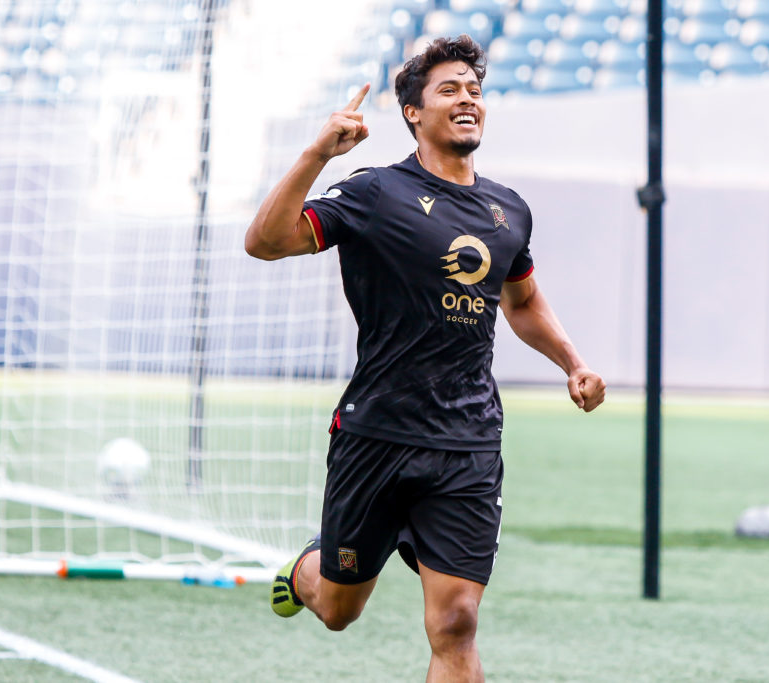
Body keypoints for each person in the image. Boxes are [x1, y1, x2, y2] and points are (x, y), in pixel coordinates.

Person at [244, 34, 605, 682]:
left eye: (475, 89)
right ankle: (307, 569)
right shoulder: (376, 192)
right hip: (377, 432)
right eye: (449, 89)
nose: (467, 98)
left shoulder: (508, 210)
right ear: (413, 111)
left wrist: (572, 362)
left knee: (457, 622)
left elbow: (521, 302)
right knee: (337, 609)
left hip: (467, 438)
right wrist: (315, 153)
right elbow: (266, 241)